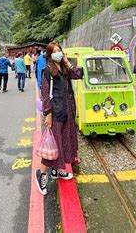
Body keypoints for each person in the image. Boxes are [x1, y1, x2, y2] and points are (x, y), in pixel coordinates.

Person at [35, 42, 83, 195]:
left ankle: (57, 171)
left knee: (65, 141)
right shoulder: (48, 70)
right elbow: (45, 92)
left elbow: (78, 74)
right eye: (54, 51)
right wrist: (48, 114)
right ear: (49, 55)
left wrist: (67, 62)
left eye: (59, 51)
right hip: (56, 112)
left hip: (67, 110)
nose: (58, 53)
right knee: (54, 144)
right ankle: (41, 174)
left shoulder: (64, 68)